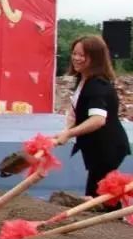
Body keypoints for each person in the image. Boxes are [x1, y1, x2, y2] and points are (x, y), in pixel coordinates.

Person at [54, 35, 130, 203]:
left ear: (95, 58)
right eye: (75, 53)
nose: (76, 58)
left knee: (99, 196)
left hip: (108, 147)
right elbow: (78, 113)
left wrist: (69, 133)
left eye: (82, 55)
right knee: (102, 195)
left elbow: (97, 119)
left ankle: (111, 224)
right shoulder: (83, 80)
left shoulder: (98, 86)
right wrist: (64, 133)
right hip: (98, 147)